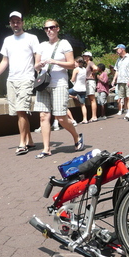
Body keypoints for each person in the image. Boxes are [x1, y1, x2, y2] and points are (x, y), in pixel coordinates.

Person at [0, 11, 39, 155]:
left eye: (18, 21)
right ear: (10, 24)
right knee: (19, 112)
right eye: (13, 22)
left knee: (21, 110)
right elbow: (5, 61)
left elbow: (37, 58)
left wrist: (40, 73)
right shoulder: (7, 40)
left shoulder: (31, 38)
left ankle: (22, 144)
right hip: (11, 80)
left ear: (22, 23)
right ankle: (30, 141)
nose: (16, 24)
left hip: (26, 78)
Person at [33, 19, 84, 158]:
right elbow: (35, 66)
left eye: (52, 27)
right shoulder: (41, 46)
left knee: (61, 117)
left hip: (59, 84)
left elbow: (72, 64)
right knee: (43, 116)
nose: (49, 30)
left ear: (57, 28)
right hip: (43, 84)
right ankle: (46, 149)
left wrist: (54, 61)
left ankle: (77, 137)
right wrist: (40, 65)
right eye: (46, 28)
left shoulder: (64, 44)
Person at [111, 44, 129, 122]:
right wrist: (114, 80)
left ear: (122, 49)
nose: (116, 51)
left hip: (128, 80)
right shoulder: (118, 60)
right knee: (123, 97)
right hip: (120, 81)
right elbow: (117, 70)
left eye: (117, 49)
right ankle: (127, 112)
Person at [66, 56, 87, 125]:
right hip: (83, 89)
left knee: (64, 93)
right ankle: (85, 119)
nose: (74, 64)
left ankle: (74, 97)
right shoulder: (84, 69)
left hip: (76, 88)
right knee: (83, 104)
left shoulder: (76, 69)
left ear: (78, 62)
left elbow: (72, 79)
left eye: (75, 62)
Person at [82, 51, 98, 122]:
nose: (84, 57)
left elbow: (95, 68)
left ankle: (94, 116)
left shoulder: (90, 63)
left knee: (92, 99)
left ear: (89, 57)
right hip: (88, 82)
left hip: (90, 82)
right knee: (91, 99)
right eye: (84, 56)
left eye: (86, 56)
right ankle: (93, 116)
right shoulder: (87, 64)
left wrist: (93, 73)